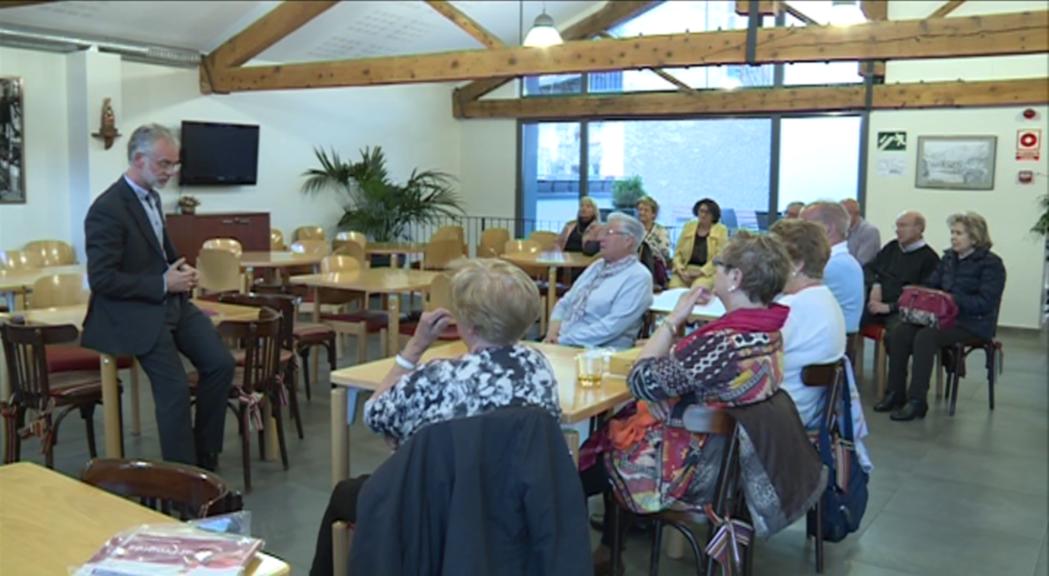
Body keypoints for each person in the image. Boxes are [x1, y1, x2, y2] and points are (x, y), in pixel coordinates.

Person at [579, 233, 824, 574]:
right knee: (612, 439)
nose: (713, 274)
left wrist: (673, 319)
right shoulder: (769, 331)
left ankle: (574, 558)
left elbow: (640, 380)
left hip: (688, 466)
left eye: (719, 267)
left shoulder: (722, 342)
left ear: (736, 278)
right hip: (725, 459)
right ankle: (610, 548)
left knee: (577, 470)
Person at [310, 259, 561, 576]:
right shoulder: (539, 368)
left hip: (439, 513)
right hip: (515, 507)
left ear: (467, 324)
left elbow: (375, 414)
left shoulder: (438, 378)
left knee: (344, 494)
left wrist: (414, 347)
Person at [81, 124, 234, 469]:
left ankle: (204, 457)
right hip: (133, 312)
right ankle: (182, 477)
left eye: (174, 164)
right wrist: (163, 283)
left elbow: (159, 254)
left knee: (221, 364)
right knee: (175, 389)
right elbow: (102, 279)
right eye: (164, 164)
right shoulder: (107, 208)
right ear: (138, 159)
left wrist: (182, 271)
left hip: (171, 304)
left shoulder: (152, 198)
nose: (171, 172)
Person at [880, 212, 1006, 421]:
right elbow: (931, 285)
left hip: (972, 323)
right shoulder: (948, 258)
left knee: (926, 337)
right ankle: (895, 393)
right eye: (952, 233)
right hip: (942, 318)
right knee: (900, 332)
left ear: (974, 237)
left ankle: (917, 401)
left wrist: (952, 299)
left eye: (959, 233)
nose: (953, 238)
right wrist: (925, 294)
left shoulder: (991, 264)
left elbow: (986, 304)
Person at [768, 219, 847, 428]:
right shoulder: (825, 299)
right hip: (808, 410)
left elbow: (747, 359)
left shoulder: (790, 309)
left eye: (774, 260)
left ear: (796, 264)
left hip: (780, 416)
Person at [544, 213, 653, 350]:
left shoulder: (638, 277)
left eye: (609, 233)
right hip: (564, 340)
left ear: (628, 241)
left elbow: (611, 327)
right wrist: (552, 332)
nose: (601, 238)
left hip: (599, 351)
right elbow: (566, 301)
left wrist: (562, 339)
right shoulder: (597, 266)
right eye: (603, 232)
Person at [864, 210, 941, 330]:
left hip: (900, 310)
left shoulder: (929, 258)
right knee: (849, 318)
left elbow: (923, 295)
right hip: (876, 303)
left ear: (919, 228)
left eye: (903, 226)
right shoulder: (892, 247)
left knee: (898, 332)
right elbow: (869, 268)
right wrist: (875, 284)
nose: (897, 230)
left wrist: (890, 307)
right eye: (897, 226)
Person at [801, 201, 864, 332]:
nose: (798, 233)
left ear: (827, 228)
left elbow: (794, 302)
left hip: (827, 339)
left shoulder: (834, 265)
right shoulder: (836, 260)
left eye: (804, 227)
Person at [669, 198, 729, 289]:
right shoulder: (689, 226)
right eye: (701, 211)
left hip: (707, 272)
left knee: (698, 290)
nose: (703, 215)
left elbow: (720, 257)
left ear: (714, 215)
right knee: (674, 288)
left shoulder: (721, 230)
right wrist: (680, 269)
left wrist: (700, 272)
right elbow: (677, 253)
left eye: (707, 213)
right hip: (685, 269)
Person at [635, 195, 670, 288]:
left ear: (653, 214)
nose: (641, 212)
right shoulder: (633, 229)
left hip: (655, 264)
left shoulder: (661, 231)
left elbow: (664, 252)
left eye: (646, 210)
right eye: (640, 209)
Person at [841, 198, 881, 265]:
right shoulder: (840, 229)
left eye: (843, 214)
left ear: (856, 214)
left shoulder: (869, 231)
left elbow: (862, 263)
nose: (840, 218)